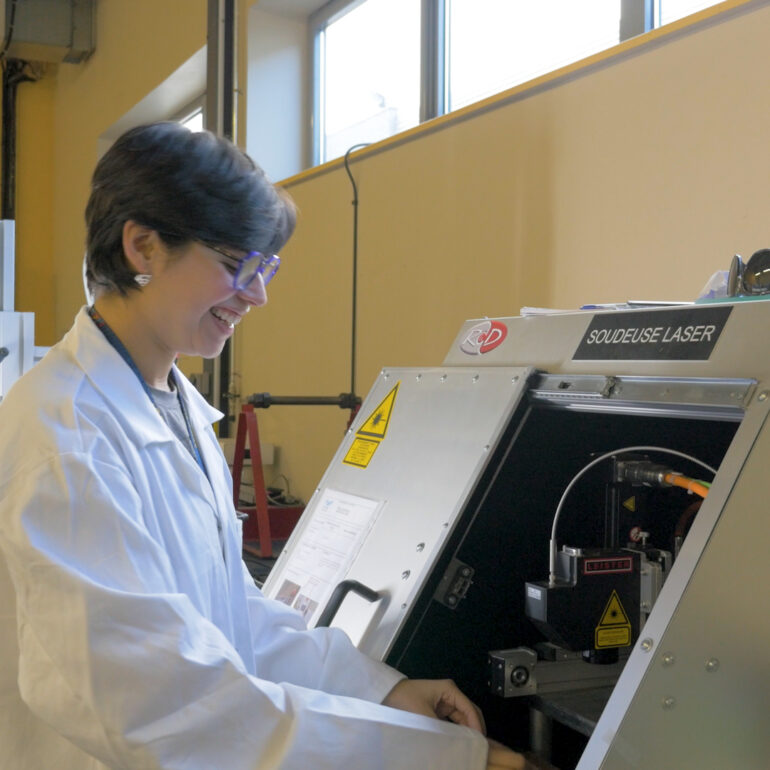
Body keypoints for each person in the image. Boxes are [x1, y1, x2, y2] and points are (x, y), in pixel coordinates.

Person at [0, 122, 527, 769]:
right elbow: (158, 706)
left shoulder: (170, 406)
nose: (258, 293)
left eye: (265, 267)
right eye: (237, 265)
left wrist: (381, 692)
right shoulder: (66, 438)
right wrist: (439, 757)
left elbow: (229, 617)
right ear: (143, 246)